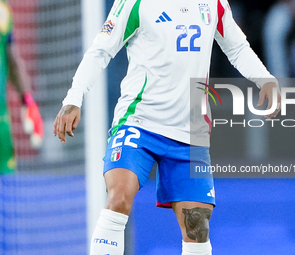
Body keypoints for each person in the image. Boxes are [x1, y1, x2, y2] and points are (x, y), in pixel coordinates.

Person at [53, 0, 281, 254]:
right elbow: (100, 50)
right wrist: (73, 98)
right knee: (119, 197)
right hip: (139, 122)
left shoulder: (215, 3)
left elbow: (237, 47)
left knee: (197, 228)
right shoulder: (135, 3)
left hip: (190, 132)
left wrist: (265, 78)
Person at [0, 0, 44, 175]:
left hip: (2, 122)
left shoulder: (3, 10)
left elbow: (12, 59)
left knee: (5, 193)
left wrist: (28, 101)